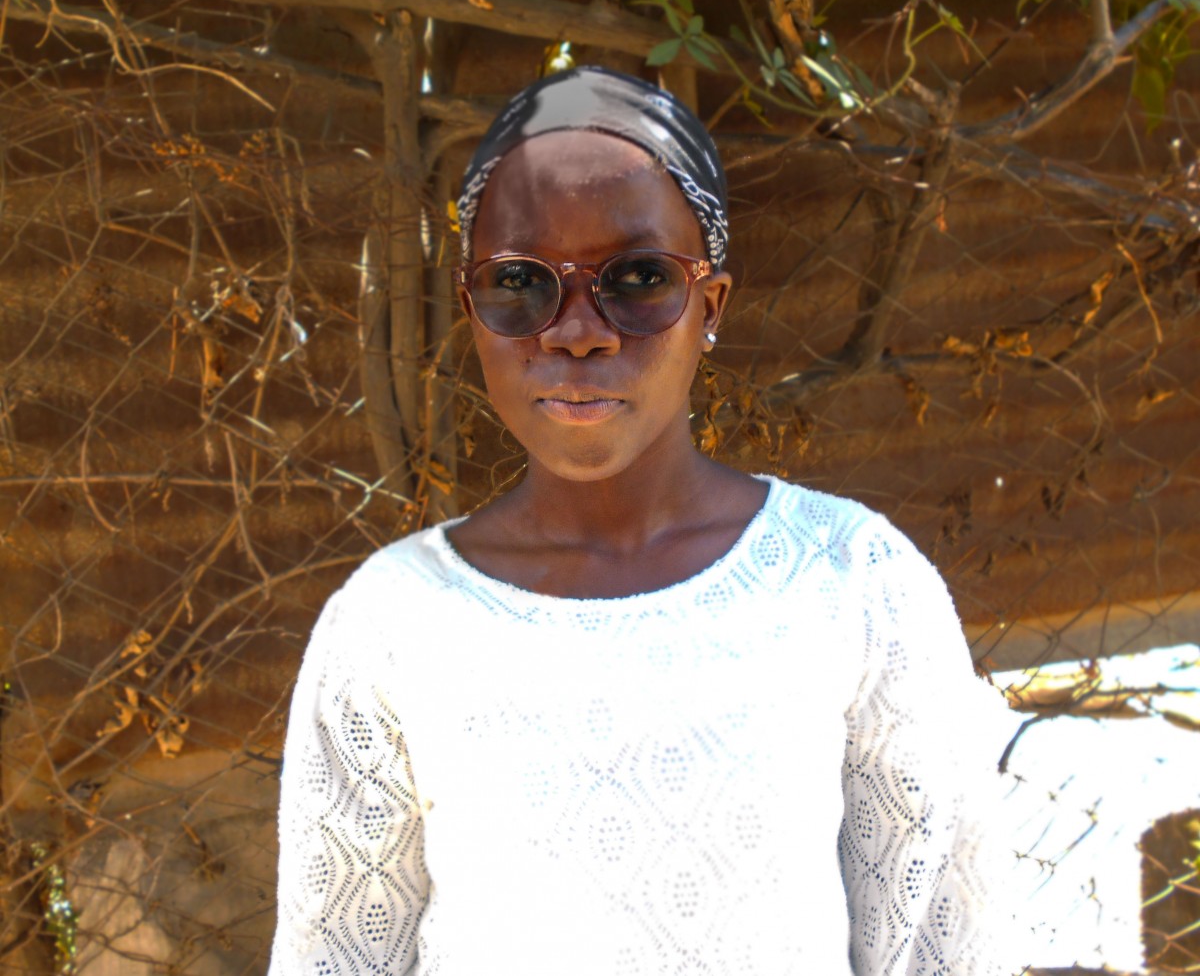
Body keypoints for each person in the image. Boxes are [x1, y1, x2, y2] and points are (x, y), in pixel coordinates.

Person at [268, 66, 1017, 975]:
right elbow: (337, 956)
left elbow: (939, 941)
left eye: (638, 278)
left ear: (712, 306)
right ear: (470, 310)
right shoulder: (393, 619)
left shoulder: (849, 580)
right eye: (519, 282)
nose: (577, 331)